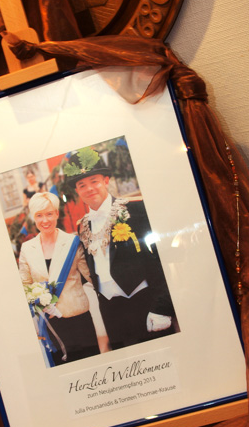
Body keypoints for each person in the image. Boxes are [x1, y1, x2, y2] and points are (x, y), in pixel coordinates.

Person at [64, 148, 178, 350]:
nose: (89, 189)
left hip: (146, 305)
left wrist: (162, 307)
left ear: (106, 181)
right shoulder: (82, 226)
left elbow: (161, 259)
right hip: (112, 313)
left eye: (94, 181)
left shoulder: (136, 210)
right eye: (82, 185)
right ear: (77, 191)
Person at [18, 192, 99, 366]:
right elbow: (24, 286)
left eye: (49, 214)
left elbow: (91, 275)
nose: (45, 220)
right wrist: (38, 302)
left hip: (79, 319)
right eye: (39, 215)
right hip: (51, 323)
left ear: (56, 213)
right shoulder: (27, 248)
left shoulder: (72, 242)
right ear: (33, 218)